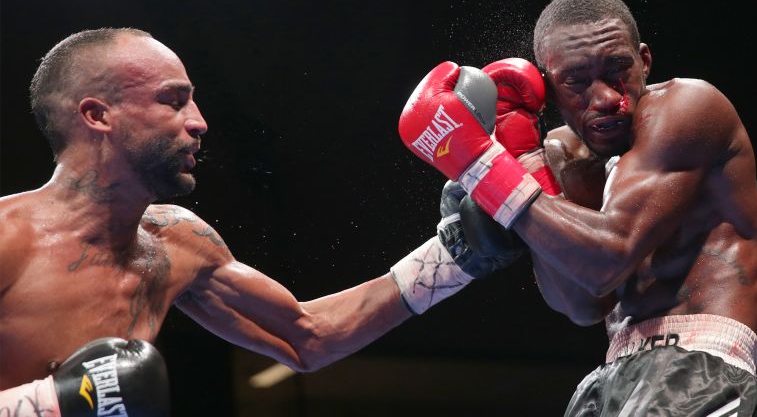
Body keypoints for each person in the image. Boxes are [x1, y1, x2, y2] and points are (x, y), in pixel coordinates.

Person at [0, 28, 519, 416]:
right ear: (98, 116)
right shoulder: (7, 238)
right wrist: (48, 403)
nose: (199, 122)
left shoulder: (176, 245)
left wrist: (455, 257)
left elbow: (307, 337)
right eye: (173, 101)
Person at [399, 0, 757, 416]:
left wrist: (481, 165)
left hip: (700, 367)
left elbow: (607, 260)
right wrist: (522, 162)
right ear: (549, 89)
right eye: (576, 82)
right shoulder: (561, 151)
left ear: (644, 61)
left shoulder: (689, 107)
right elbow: (581, 302)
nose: (608, 98)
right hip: (611, 378)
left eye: (618, 69)